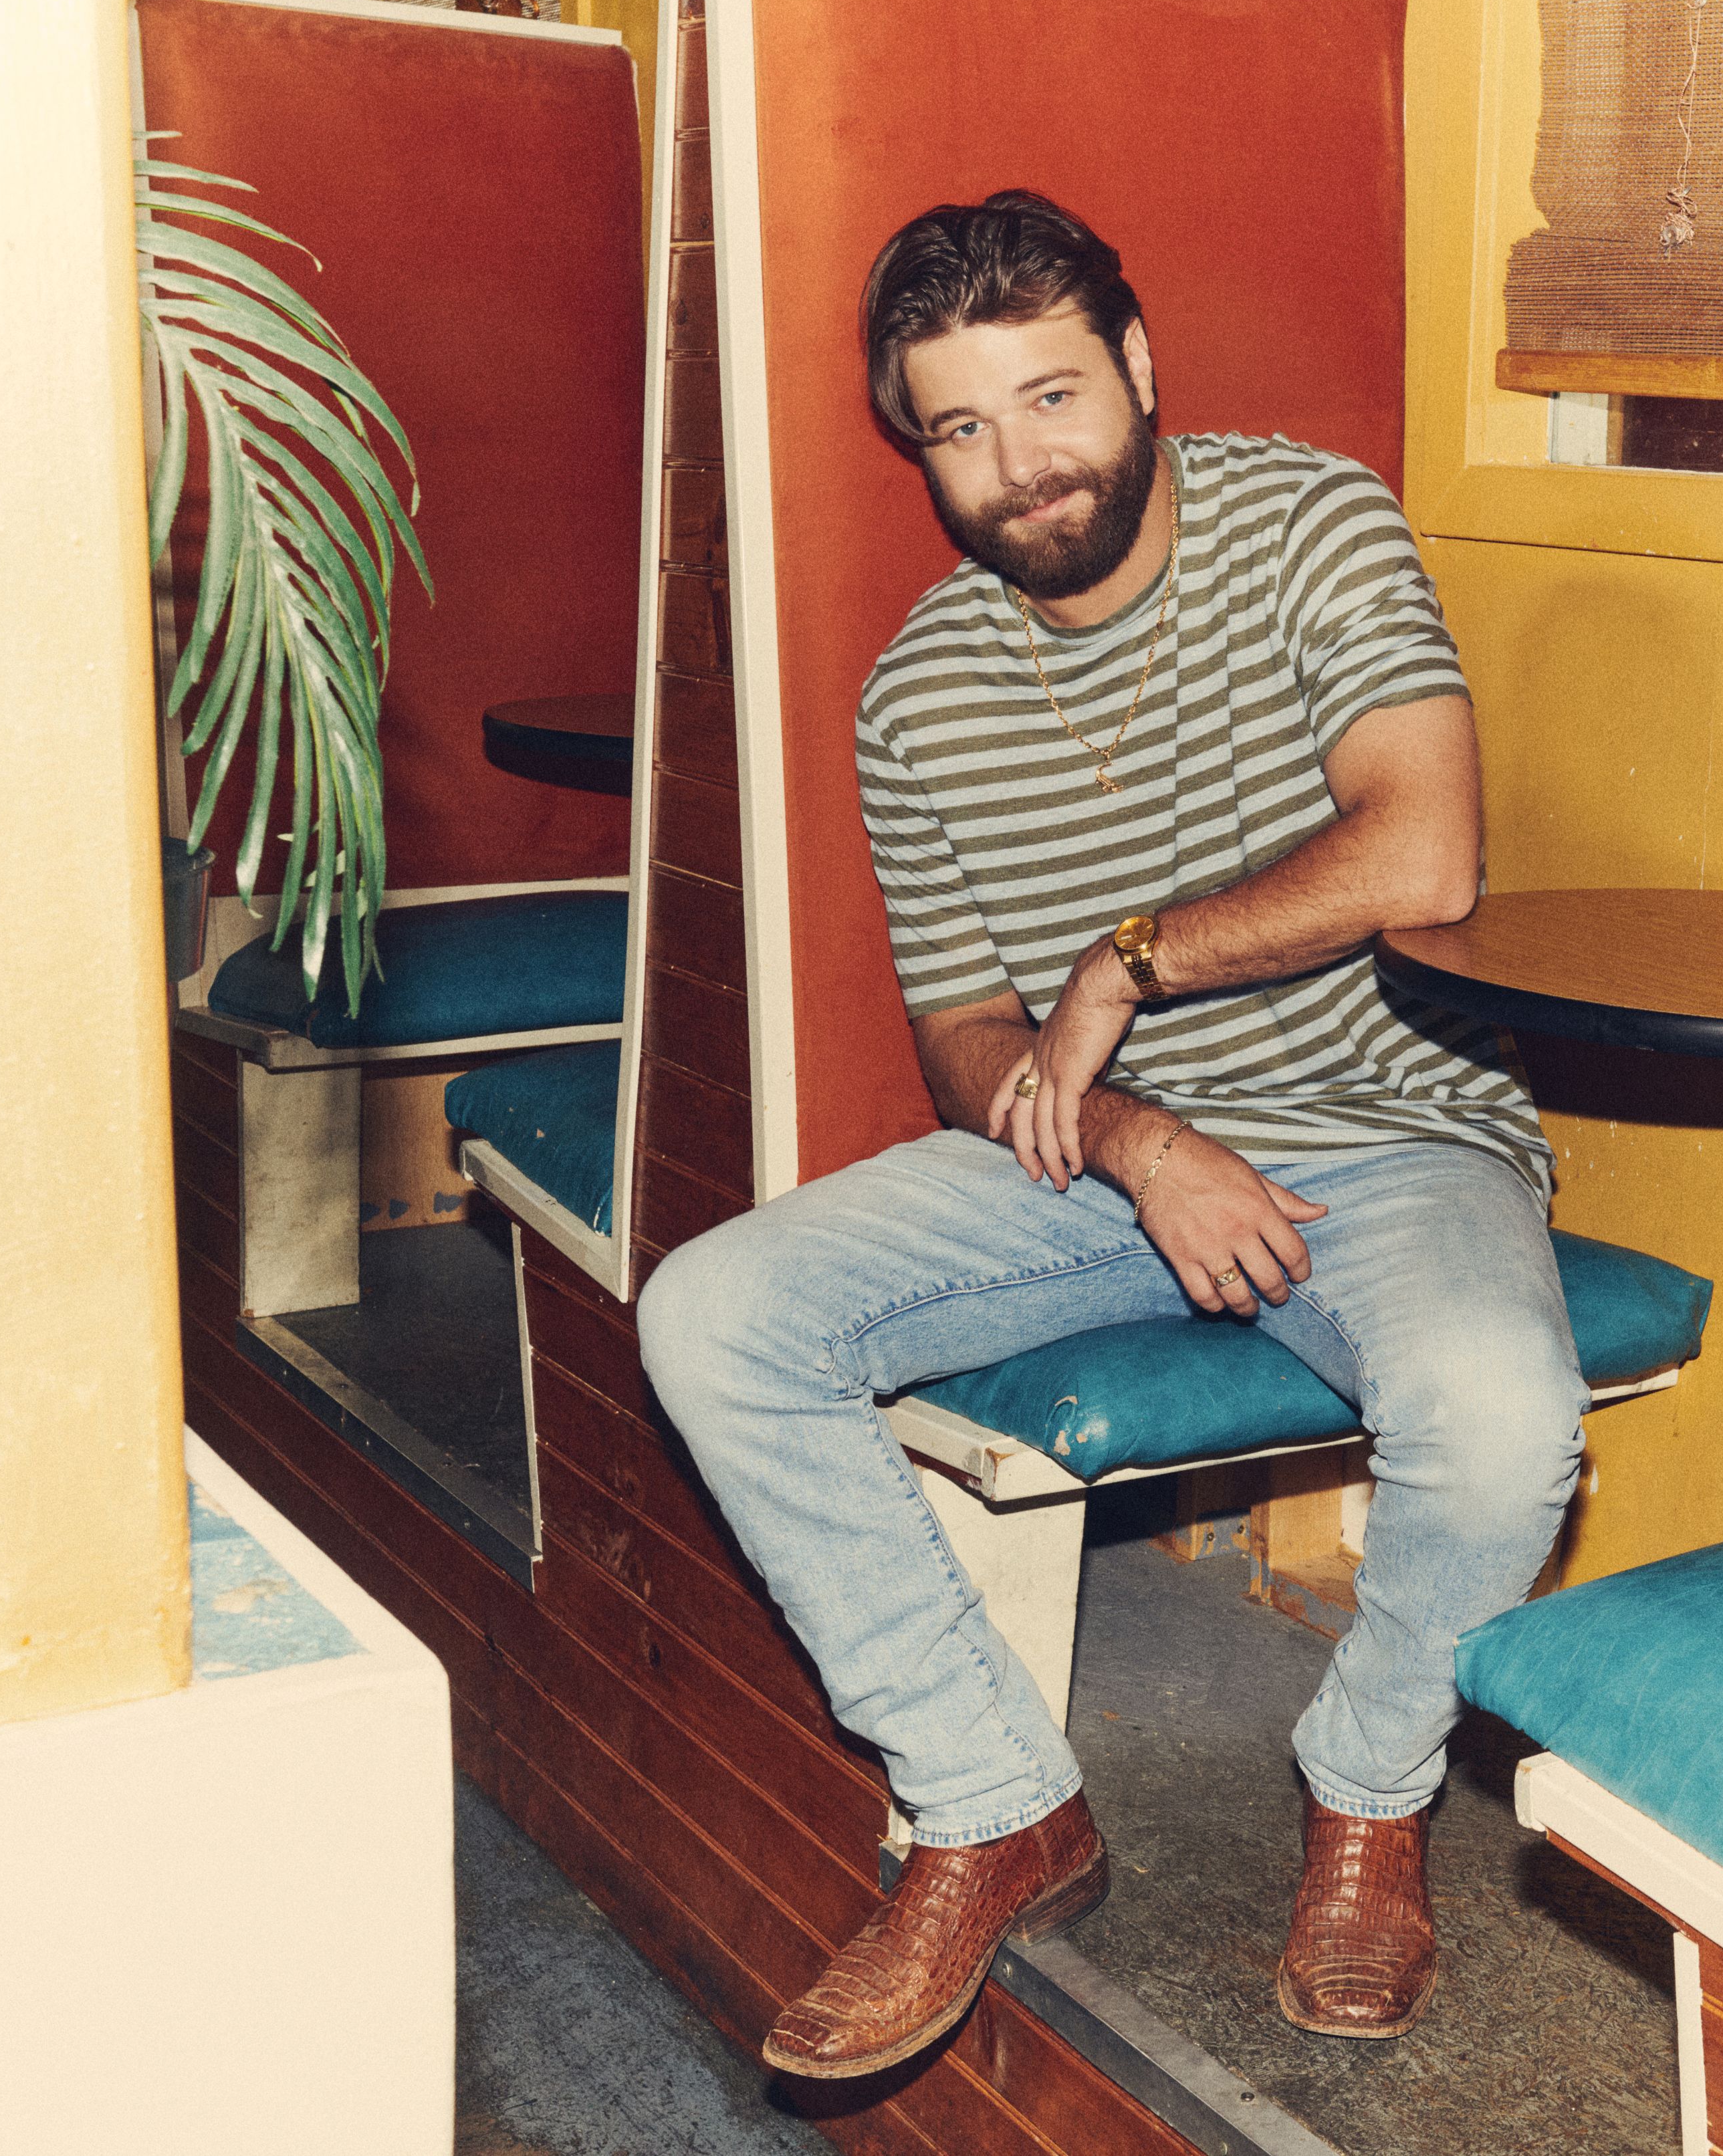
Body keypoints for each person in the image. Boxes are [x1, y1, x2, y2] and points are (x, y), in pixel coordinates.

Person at [635, 189, 1586, 2080]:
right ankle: (992, 1806)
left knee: (1502, 1419)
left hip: (1391, 1129)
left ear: (1140, 366)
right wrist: (1144, 1141)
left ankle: (1368, 1792)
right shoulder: (918, 693)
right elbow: (962, 1048)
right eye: (961, 428)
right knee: (712, 1314)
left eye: (1053, 397)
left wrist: (1127, 958)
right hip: (1086, 1162)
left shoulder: (1308, 522)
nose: (1021, 467)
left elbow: (1424, 852)